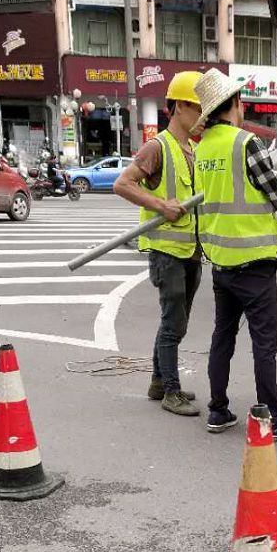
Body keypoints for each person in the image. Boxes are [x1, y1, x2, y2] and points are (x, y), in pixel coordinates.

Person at [192, 68, 277, 439]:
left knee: (223, 338)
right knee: (264, 345)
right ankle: (272, 419)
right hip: (254, 263)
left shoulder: (203, 149)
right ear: (235, 103)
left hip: (221, 263)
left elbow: (243, 193)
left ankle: (217, 410)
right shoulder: (245, 143)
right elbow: (275, 194)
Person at [113, 71, 205, 416]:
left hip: (191, 251)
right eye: (198, 108)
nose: (202, 117)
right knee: (173, 323)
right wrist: (160, 205)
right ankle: (171, 391)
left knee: (175, 321)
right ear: (180, 106)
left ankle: (158, 382)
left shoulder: (193, 149)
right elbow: (123, 184)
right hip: (167, 253)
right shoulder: (158, 147)